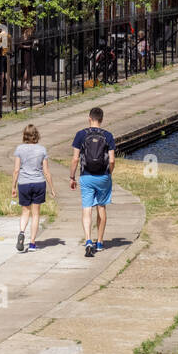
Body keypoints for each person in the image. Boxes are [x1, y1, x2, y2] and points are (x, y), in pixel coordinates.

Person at [70, 106, 116, 256]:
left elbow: (75, 159)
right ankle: (100, 242)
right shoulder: (108, 136)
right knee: (101, 208)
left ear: (89, 118)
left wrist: (72, 176)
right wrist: (108, 173)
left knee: (87, 208)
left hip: (86, 175)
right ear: (101, 120)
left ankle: (88, 240)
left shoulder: (80, 135)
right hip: (103, 176)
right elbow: (112, 160)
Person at [12, 124, 54, 252]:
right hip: (38, 183)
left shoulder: (19, 149)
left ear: (24, 135)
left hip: (24, 183)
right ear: (36, 135)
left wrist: (13, 186)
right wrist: (52, 188)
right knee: (36, 214)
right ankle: (32, 243)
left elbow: (16, 170)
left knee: (25, 211)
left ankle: (22, 232)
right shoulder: (42, 150)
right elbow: (46, 171)